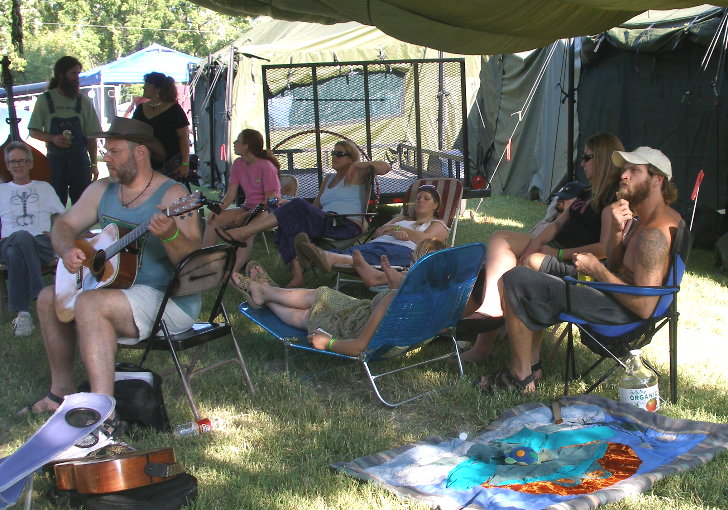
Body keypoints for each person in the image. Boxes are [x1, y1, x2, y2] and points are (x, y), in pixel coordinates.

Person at [18, 117, 202, 421]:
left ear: (140, 152)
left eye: (114, 152)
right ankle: (59, 393)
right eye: (106, 151)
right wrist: (67, 250)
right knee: (49, 298)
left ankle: (103, 412)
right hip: (114, 289)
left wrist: (170, 235)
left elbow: (192, 262)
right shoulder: (102, 189)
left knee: (90, 303)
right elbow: (63, 225)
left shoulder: (174, 196)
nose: (106, 158)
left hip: (167, 299)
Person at [475, 146, 681, 392]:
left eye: (634, 171)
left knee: (516, 278)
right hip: (614, 295)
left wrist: (598, 271)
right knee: (533, 269)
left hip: (620, 313)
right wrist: (616, 233)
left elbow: (644, 307)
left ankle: (520, 377)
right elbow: (618, 266)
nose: (624, 175)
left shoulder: (652, 235)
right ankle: (533, 364)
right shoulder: (650, 219)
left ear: (657, 180)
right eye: (625, 169)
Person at [459, 132, 624, 361]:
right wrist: (535, 242)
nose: (582, 163)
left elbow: (603, 249)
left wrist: (557, 252)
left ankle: (489, 341)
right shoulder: (587, 193)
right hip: (553, 247)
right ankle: (489, 310)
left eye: (587, 157)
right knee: (499, 242)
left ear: (603, 158)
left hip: (576, 262)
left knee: (513, 268)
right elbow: (556, 225)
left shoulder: (611, 200)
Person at [220, 140, 390, 287]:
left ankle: (244, 232)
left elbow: (385, 167)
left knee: (295, 207)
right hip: (325, 221)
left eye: (340, 154)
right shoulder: (328, 179)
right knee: (286, 215)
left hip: (344, 224)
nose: (334, 156)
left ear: (351, 158)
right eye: (333, 153)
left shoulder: (358, 174)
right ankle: (298, 274)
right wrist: (289, 205)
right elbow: (315, 208)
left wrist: (357, 165)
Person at [233, 239, 445, 356]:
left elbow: (359, 347)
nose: (408, 261)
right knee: (323, 294)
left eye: (411, 260)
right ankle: (268, 292)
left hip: (353, 329)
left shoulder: (394, 300)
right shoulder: (441, 299)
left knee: (310, 313)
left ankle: (265, 294)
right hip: (371, 320)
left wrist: (328, 343)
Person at [295, 184, 448, 284]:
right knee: (354, 253)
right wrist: (395, 230)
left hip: (403, 252)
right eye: (418, 198)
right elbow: (378, 233)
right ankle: (320, 256)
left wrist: (396, 230)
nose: (420, 201)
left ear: (435, 205)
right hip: (376, 245)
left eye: (426, 198)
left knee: (358, 257)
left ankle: (315, 257)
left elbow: (426, 240)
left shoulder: (438, 224)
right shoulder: (401, 219)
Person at [0, 142, 65, 337]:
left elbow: (62, 216)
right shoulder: (1, 191)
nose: (18, 165)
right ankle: (39, 293)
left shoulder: (44, 188)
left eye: (22, 160)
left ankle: (24, 314)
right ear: (7, 165)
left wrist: (57, 232)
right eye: (13, 161)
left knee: (16, 251)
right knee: (20, 238)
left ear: (30, 164)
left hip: (42, 244)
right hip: (7, 242)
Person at [204, 128, 281, 272]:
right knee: (213, 220)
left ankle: (231, 273)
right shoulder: (238, 163)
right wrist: (218, 210)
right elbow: (230, 195)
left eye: (238, 141)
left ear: (247, 146)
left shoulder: (266, 166)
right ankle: (206, 265)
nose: (234, 143)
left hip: (268, 209)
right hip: (248, 207)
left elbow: (270, 201)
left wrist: (245, 215)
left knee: (247, 232)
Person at [28, 56, 101, 205]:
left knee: (82, 205)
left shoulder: (83, 101)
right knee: (55, 205)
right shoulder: (45, 100)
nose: (77, 78)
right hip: (55, 162)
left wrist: (93, 164)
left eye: (78, 74)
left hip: (80, 160)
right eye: (73, 73)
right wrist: (53, 138)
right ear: (61, 75)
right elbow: (33, 131)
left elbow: (91, 136)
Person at [132, 72, 190, 184]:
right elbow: (133, 134)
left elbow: (183, 138)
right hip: (145, 161)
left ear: (157, 89)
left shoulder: (174, 109)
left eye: (147, 84)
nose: (144, 87)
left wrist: (185, 163)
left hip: (170, 163)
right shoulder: (140, 109)